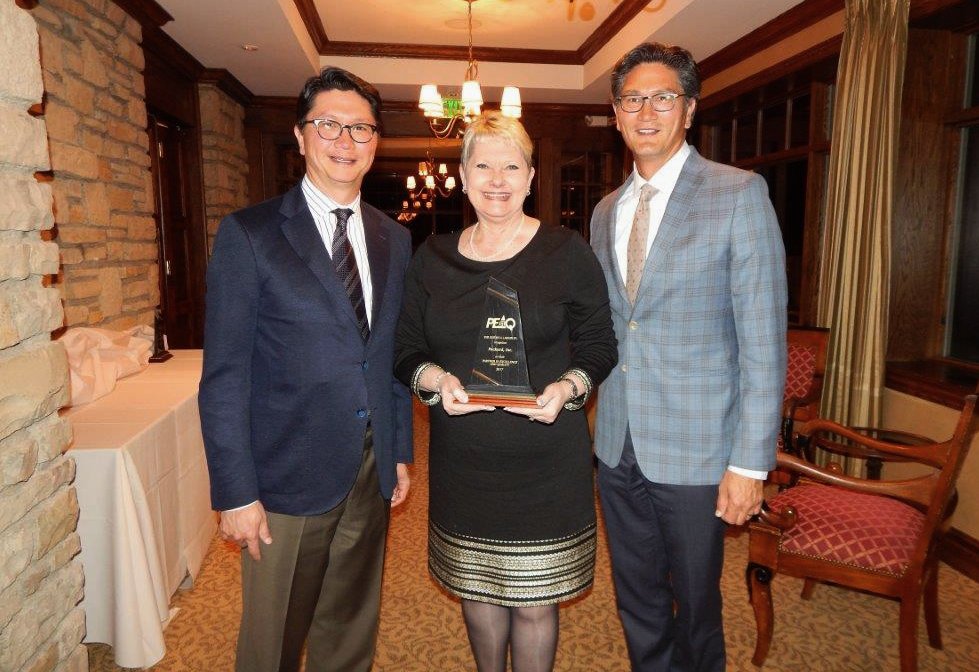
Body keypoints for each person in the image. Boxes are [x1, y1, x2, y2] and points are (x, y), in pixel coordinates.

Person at [198, 66, 413, 672]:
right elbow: (224, 377)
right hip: (285, 473)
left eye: (361, 129)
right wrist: (236, 492)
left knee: (349, 623)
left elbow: (389, 354)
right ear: (300, 136)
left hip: (370, 466)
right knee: (272, 639)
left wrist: (398, 449)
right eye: (329, 125)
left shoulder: (393, 239)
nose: (345, 141)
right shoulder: (251, 233)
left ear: (376, 142)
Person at [588, 43, 787, 672]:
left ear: (689, 109)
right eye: (632, 99)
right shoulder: (603, 212)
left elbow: (763, 345)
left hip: (701, 451)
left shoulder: (739, 194)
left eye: (662, 97)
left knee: (698, 606)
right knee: (637, 600)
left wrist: (750, 464)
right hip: (617, 444)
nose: (646, 111)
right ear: (617, 115)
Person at [395, 111, 617, 672]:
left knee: (536, 603)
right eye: (483, 165)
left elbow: (599, 345)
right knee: (478, 596)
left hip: (545, 463)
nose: (497, 179)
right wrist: (433, 380)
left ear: (531, 176)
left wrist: (569, 387)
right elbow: (405, 350)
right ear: (464, 177)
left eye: (511, 166)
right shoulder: (433, 258)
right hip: (465, 464)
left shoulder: (566, 252)